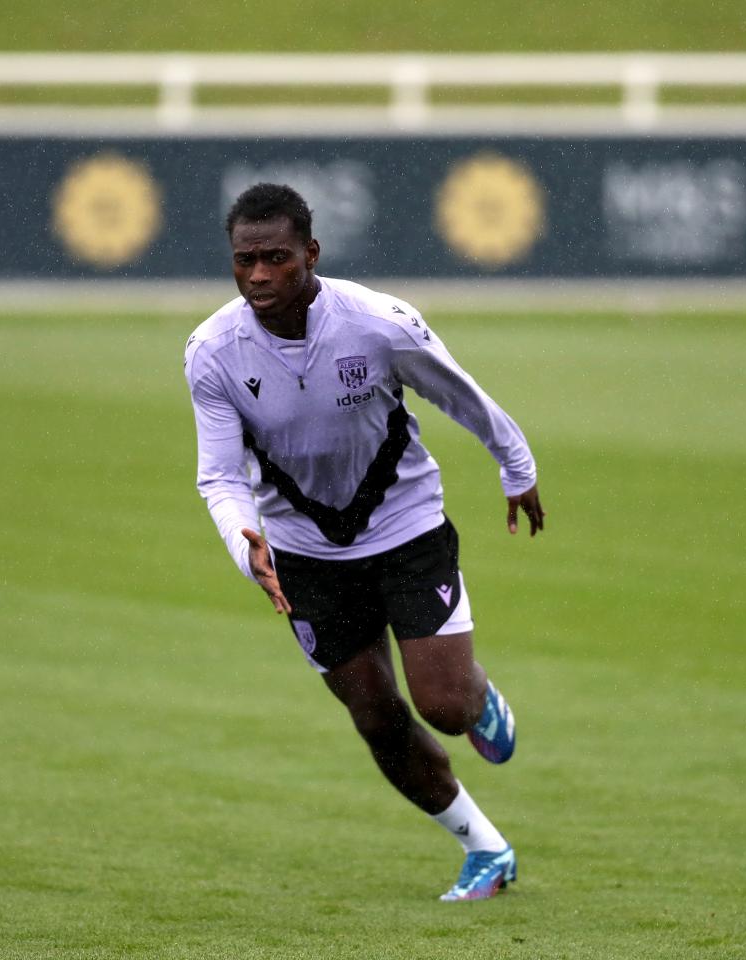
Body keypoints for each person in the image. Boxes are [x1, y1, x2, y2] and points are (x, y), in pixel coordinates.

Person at [184, 183, 545, 901]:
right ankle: (485, 848)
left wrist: (517, 468)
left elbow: (460, 394)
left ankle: (478, 700)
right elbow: (220, 476)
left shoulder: (378, 323)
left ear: (310, 254)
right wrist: (244, 542)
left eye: (275, 258)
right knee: (377, 717)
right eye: (244, 260)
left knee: (441, 704)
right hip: (301, 552)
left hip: (406, 525)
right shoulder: (212, 352)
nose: (257, 275)